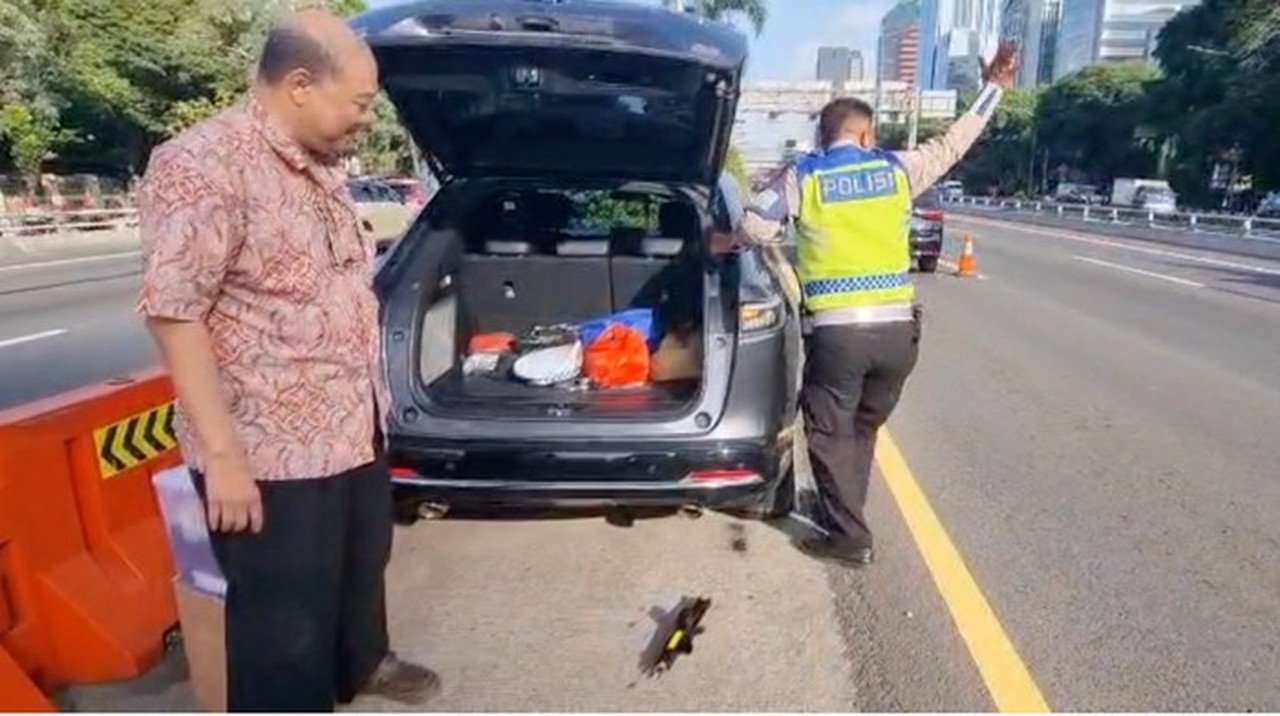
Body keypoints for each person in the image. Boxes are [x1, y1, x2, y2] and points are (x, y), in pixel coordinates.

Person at [135, 9, 440, 711]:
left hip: (350, 424)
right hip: (268, 449)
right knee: (284, 628)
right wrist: (225, 457)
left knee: (360, 569)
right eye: (360, 104)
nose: (366, 120)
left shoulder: (321, 165)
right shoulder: (201, 165)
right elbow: (174, 313)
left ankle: (359, 665)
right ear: (300, 83)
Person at [717, 43, 1020, 568]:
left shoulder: (805, 175)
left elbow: (754, 227)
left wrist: (726, 242)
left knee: (829, 430)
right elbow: (956, 142)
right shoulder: (899, 169)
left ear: (823, 136)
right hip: (898, 336)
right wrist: (994, 88)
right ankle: (847, 509)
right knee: (861, 427)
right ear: (866, 134)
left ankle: (850, 537)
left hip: (839, 336)